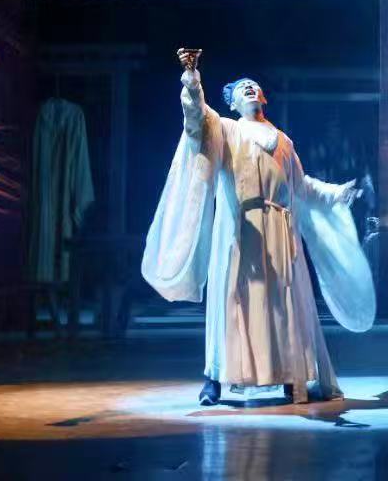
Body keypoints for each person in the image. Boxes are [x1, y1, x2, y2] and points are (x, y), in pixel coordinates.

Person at [142, 50, 373, 406]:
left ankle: (289, 376)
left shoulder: (284, 141)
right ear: (233, 103)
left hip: (279, 230)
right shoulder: (226, 128)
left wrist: (336, 193)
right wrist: (192, 78)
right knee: (234, 300)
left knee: (281, 305)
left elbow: (302, 186)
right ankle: (214, 378)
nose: (249, 88)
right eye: (241, 88)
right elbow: (195, 118)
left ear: (263, 97)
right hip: (242, 228)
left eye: (254, 86)